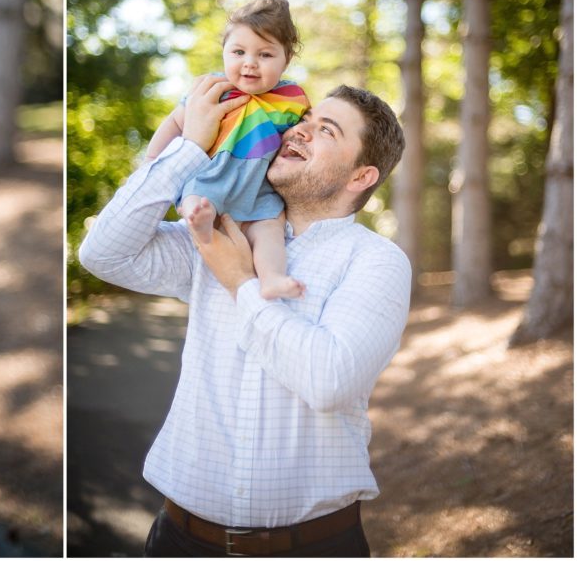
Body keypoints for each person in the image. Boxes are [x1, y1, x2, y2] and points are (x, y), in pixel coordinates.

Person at [80, 81, 410, 557]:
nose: (298, 132)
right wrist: (191, 147)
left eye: (325, 131)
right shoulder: (215, 231)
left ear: (361, 177)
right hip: (177, 540)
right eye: (304, 121)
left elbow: (329, 381)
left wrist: (241, 283)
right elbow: (103, 254)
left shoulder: (375, 261)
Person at [145, 0, 310, 300]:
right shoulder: (212, 89)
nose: (249, 62)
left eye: (265, 54)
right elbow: (175, 122)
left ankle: (272, 277)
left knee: (270, 229)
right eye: (238, 52)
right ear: (223, 52)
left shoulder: (292, 98)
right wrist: (152, 160)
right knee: (195, 201)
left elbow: (300, 137)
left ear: (285, 60)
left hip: (258, 187)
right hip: (212, 174)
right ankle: (202, 227)